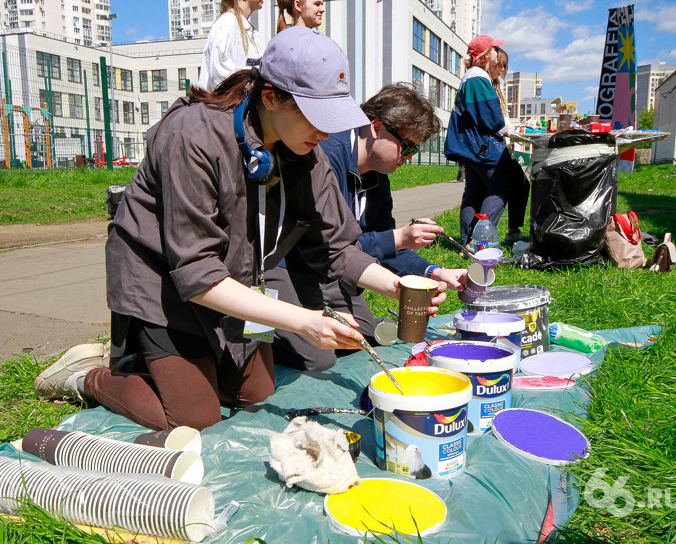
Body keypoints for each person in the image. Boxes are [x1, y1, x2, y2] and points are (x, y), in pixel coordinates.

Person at [33, 28, 447, 432]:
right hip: (164, 285)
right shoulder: (192, 135)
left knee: (257, 394)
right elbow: (196, 274)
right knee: (193, 418)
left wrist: (400, 289)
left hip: (241, 282)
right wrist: (304, 321)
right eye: (316, 117)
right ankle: (87, 376)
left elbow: (339, 249)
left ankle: (181, 361)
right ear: (271, 97)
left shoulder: (308, 154)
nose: (325, 132)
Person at [265, 83, 468, 371]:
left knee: (363, 335)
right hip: (285, 263)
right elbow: (327, 245)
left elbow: (384, 247)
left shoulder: (376, 176)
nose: (409, 157)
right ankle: (254, 330)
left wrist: (435, 272)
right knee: (319, 356)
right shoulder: (324, 156)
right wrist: (398, 238)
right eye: (407, 145)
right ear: (376, 127)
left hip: (328, 270)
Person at [444, 34, 526, 246]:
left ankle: (466, 241)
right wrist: (507, 128)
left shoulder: (472, 76)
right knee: (502, 186)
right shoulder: (478, 78)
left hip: (469, 146)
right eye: (493, 49)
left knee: (474, 190)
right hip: (481, 146)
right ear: (483, 55)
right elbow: (491, 117)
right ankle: (479, 241)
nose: (496, 53)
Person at [489, 48, 530, 244]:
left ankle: (512, 229)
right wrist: (507, 129)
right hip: (490, 145)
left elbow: (500, 118)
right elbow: (490, 119)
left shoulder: (495, 84)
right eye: (501, 65)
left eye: (505, 66)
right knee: (511, 182)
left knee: (521, 180)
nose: (503, 69)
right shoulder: (483, 83)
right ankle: (486, 233)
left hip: (500, 142)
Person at [197, 0, 264, 91]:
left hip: (240, 102)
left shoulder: (249, 29)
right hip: (226, 103)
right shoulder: (227, 22)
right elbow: (219, 73)